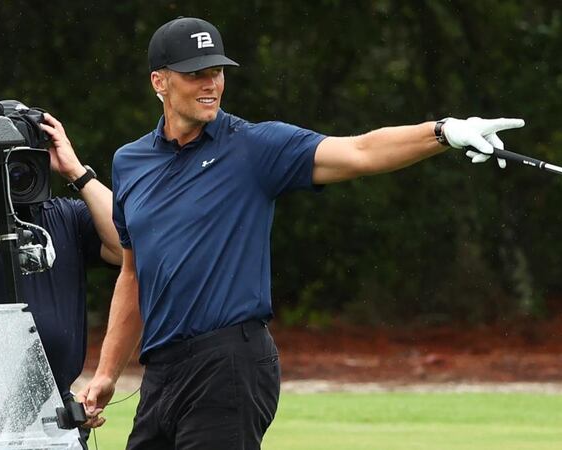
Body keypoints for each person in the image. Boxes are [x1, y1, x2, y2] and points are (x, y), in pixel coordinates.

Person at [78, 16, 524, 449]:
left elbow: (360, 151)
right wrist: (106, 374)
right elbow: (134, 275)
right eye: (196, 74)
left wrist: (444, 132)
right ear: (160, 81)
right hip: (161, 372)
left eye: (216, 72)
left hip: (229, 361)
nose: (211, 84)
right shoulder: (130, 162)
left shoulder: (253, 147)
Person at [0, 112, 122, 448]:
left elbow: (127, 247)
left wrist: (78, 172)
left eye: (21, 162)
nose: (13, 175)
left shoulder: (64, 215)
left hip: (54, 413)